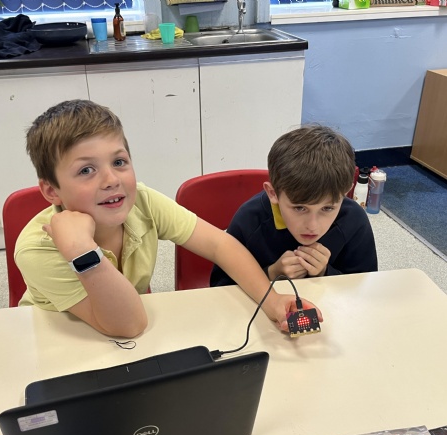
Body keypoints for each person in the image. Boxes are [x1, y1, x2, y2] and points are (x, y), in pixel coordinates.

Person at [16, 100, 322, 338]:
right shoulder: (37, 249)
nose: (111, 180)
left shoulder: (143, 202)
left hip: (120, 327)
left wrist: (272, 301)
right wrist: (82, 251)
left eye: (119, 162)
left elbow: (220, 245)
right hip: (61, 338)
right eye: (86, 170)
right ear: (51, 190)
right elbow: (129, 325)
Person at [210, 124, 378, 287]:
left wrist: (325, 273)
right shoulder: (249, 219)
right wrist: (271, 274)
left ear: (346, 193)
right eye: (299, 208)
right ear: (273, 193)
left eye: (327, 208)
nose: (312, 226)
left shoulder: (354, 219)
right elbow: (219, 286)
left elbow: (364, 288)